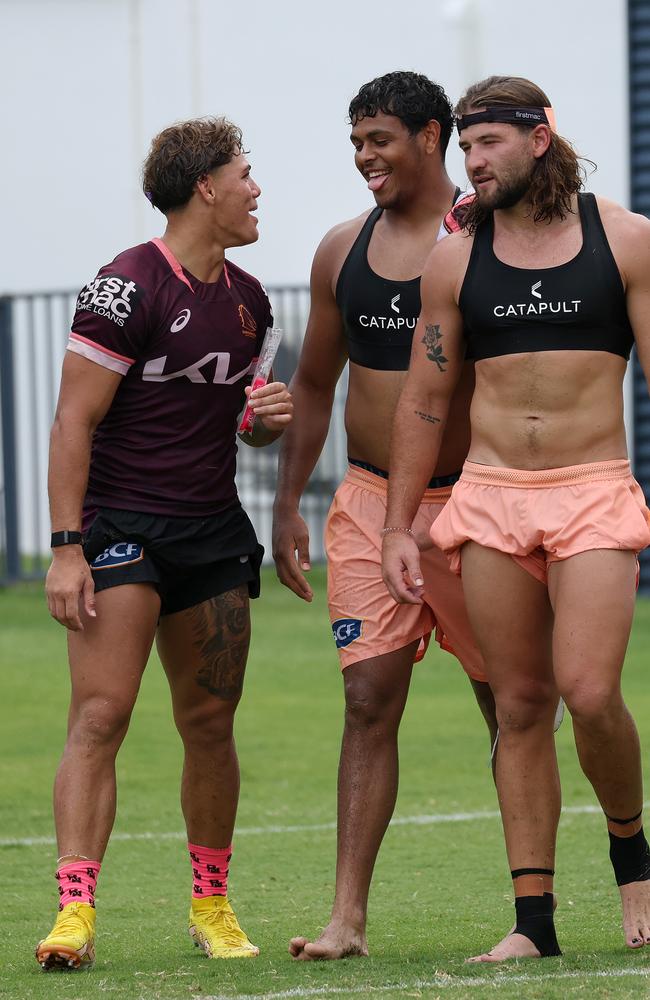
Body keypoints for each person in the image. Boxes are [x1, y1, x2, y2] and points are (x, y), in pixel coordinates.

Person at [382, 75, 650, 962]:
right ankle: (533, 923)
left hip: (594, 490)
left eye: (487, 144)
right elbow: (424, 400)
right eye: (464, 148)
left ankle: (631, 856)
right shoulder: (456, 258)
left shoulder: (627, 240)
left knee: (589, 689)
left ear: (540, 139)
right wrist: (395, 528)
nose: (472, 162)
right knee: (522, 705)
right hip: (491, 497)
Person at [36, 116, 293, 970]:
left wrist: (263, 425)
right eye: (246, 175)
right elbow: (74, 421)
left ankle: (212, 905)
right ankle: (75, 912)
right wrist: (67, 546)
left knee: (211, 723)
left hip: (213, 533)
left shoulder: (252, 302)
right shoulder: (126, 285)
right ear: (205, 187)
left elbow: (246, 432)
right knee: (101, 714)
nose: (259, 190)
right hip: (121, 530)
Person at [272, 71, 500, 962]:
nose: (365, 157)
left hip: (475, 502)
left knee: (512, 704)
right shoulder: (342, 249)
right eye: (357, 141)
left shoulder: (493, 238)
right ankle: (346, 919)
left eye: (381, 140)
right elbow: (315, 385)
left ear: (433, 135)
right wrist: (290, 503)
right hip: (369, 502)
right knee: (367, 699)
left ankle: (538, 903)